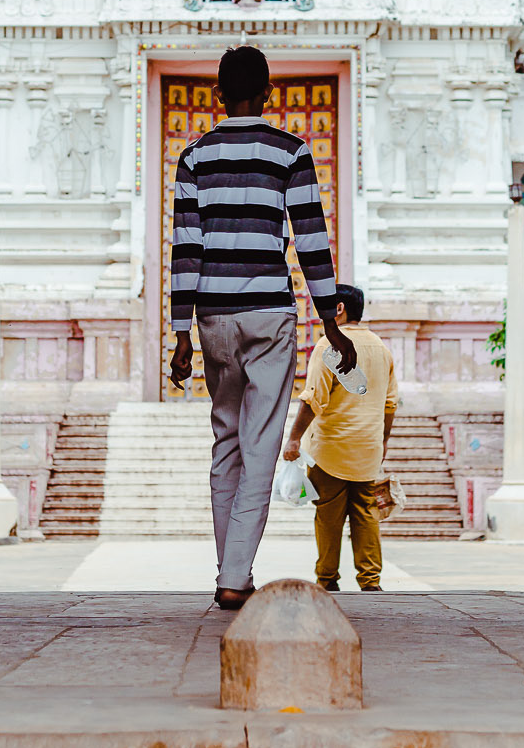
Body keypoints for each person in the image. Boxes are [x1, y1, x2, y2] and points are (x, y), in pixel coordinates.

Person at [169, 44, 356, 610]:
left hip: (213, 317)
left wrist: (181, 334)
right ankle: (234, 575)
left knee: (226, 440)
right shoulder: (291, 152)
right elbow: (312, 243)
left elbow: (186, 249)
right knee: (259, 445)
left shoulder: (194, 156)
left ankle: (232, 570)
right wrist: (332, 324)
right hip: (270, 314)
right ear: (269, 93)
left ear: (218, 94)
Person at [282, 284, 397, 592]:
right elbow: (390, 403)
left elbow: (314, 398)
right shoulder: (381, 348)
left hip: (331, 450)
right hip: (368, 449)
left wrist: (294, 439)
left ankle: (327, 579)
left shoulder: (329, 345)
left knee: (328, 516)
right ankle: (370, 581)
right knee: (366, 514)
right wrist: (383, 441)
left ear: (340, 309)